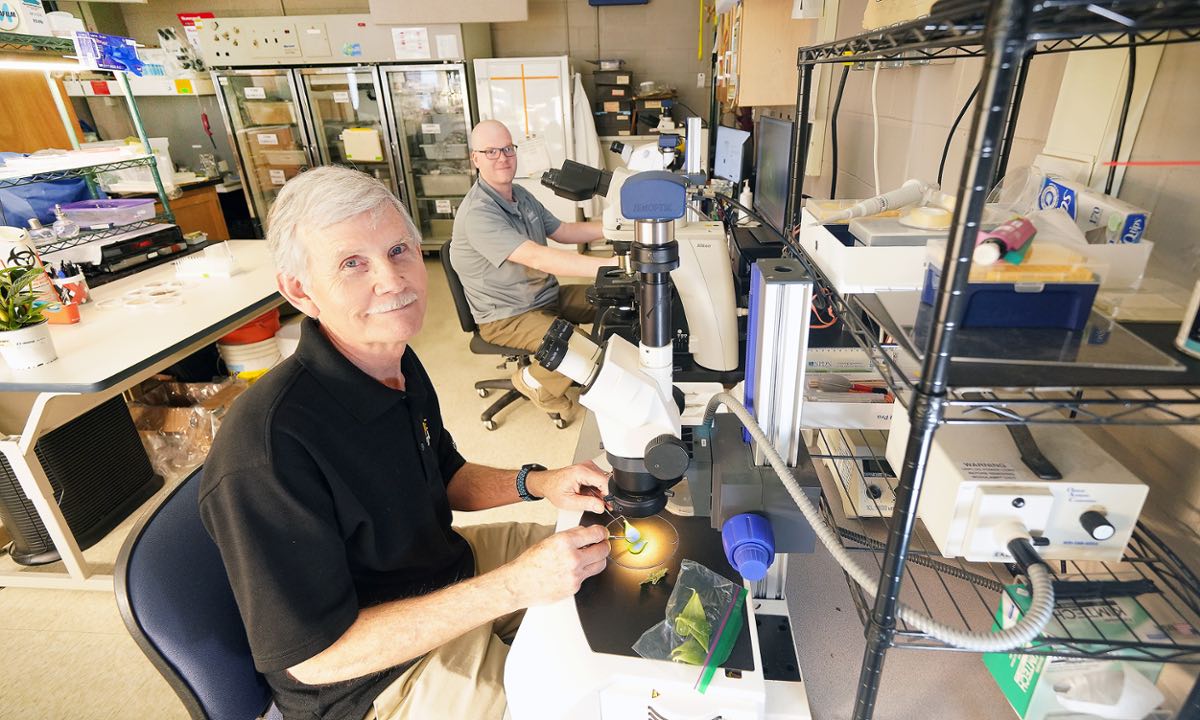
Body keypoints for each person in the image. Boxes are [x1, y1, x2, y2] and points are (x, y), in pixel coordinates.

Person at [199, 166, 611, 720]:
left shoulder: (392, 358)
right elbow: (316, 659)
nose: (392, 280)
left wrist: (541, 482)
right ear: (300, 290)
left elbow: (441, 472)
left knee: (606, 559)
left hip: (445, 571)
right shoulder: (269, 449)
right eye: (352, 263)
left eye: (398, 250)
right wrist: (514, 587)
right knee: (587, 705)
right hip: (376, 676)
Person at [449, 119, 611, 418]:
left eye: (508, 149)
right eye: (491, 152)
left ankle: (581, 369)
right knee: (581, 349)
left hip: (544, 297)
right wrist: (614, 264)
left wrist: (614, 226)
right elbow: (539, 258)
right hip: (507, 316)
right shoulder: (478, 213)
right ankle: (533, 382)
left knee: (616, 298)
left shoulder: (520, 194)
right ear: (475, 158)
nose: (503, 158)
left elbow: (563, 231)